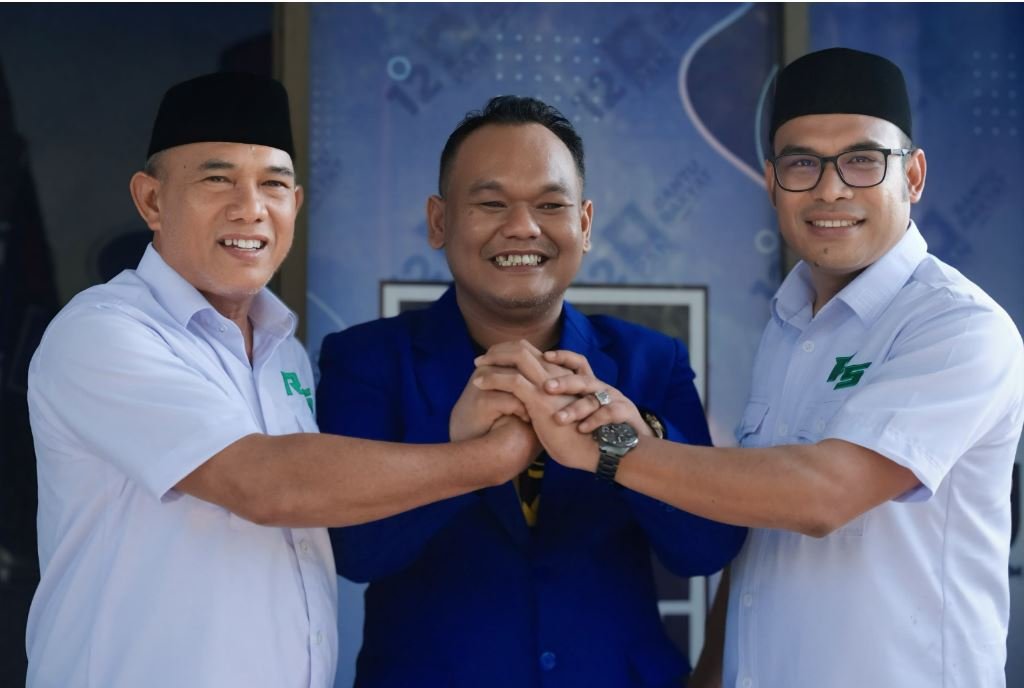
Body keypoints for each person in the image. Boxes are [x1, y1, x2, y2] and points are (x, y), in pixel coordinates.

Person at [474, 48, 1024, 688]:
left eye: (862, 160)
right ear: (771, 181)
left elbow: (821, 496)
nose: (830, 188)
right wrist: (709, 676)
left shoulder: (956, 327)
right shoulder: (791, 326)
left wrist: (612, 449)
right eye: (802, 164)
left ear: (914, 175)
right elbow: (762, 521)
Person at [25, 73, 538, 688]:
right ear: (152, 200)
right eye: (217, 179)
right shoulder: (103, 331)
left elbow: (319, 494)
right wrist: (490, 457)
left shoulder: (284, 354)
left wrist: (458, 441)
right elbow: (263, 483)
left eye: (272, 184)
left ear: (294, 203)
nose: (250, 208)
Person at [317, 96, 746, 687]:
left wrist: (625, 446)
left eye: (550, 205)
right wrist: (458, 452)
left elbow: (705, 550)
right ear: (439, 221)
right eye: (491, 203)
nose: (523, 227)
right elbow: (352, 551)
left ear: (585, 225)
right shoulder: (366, 360)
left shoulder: (651, 362)